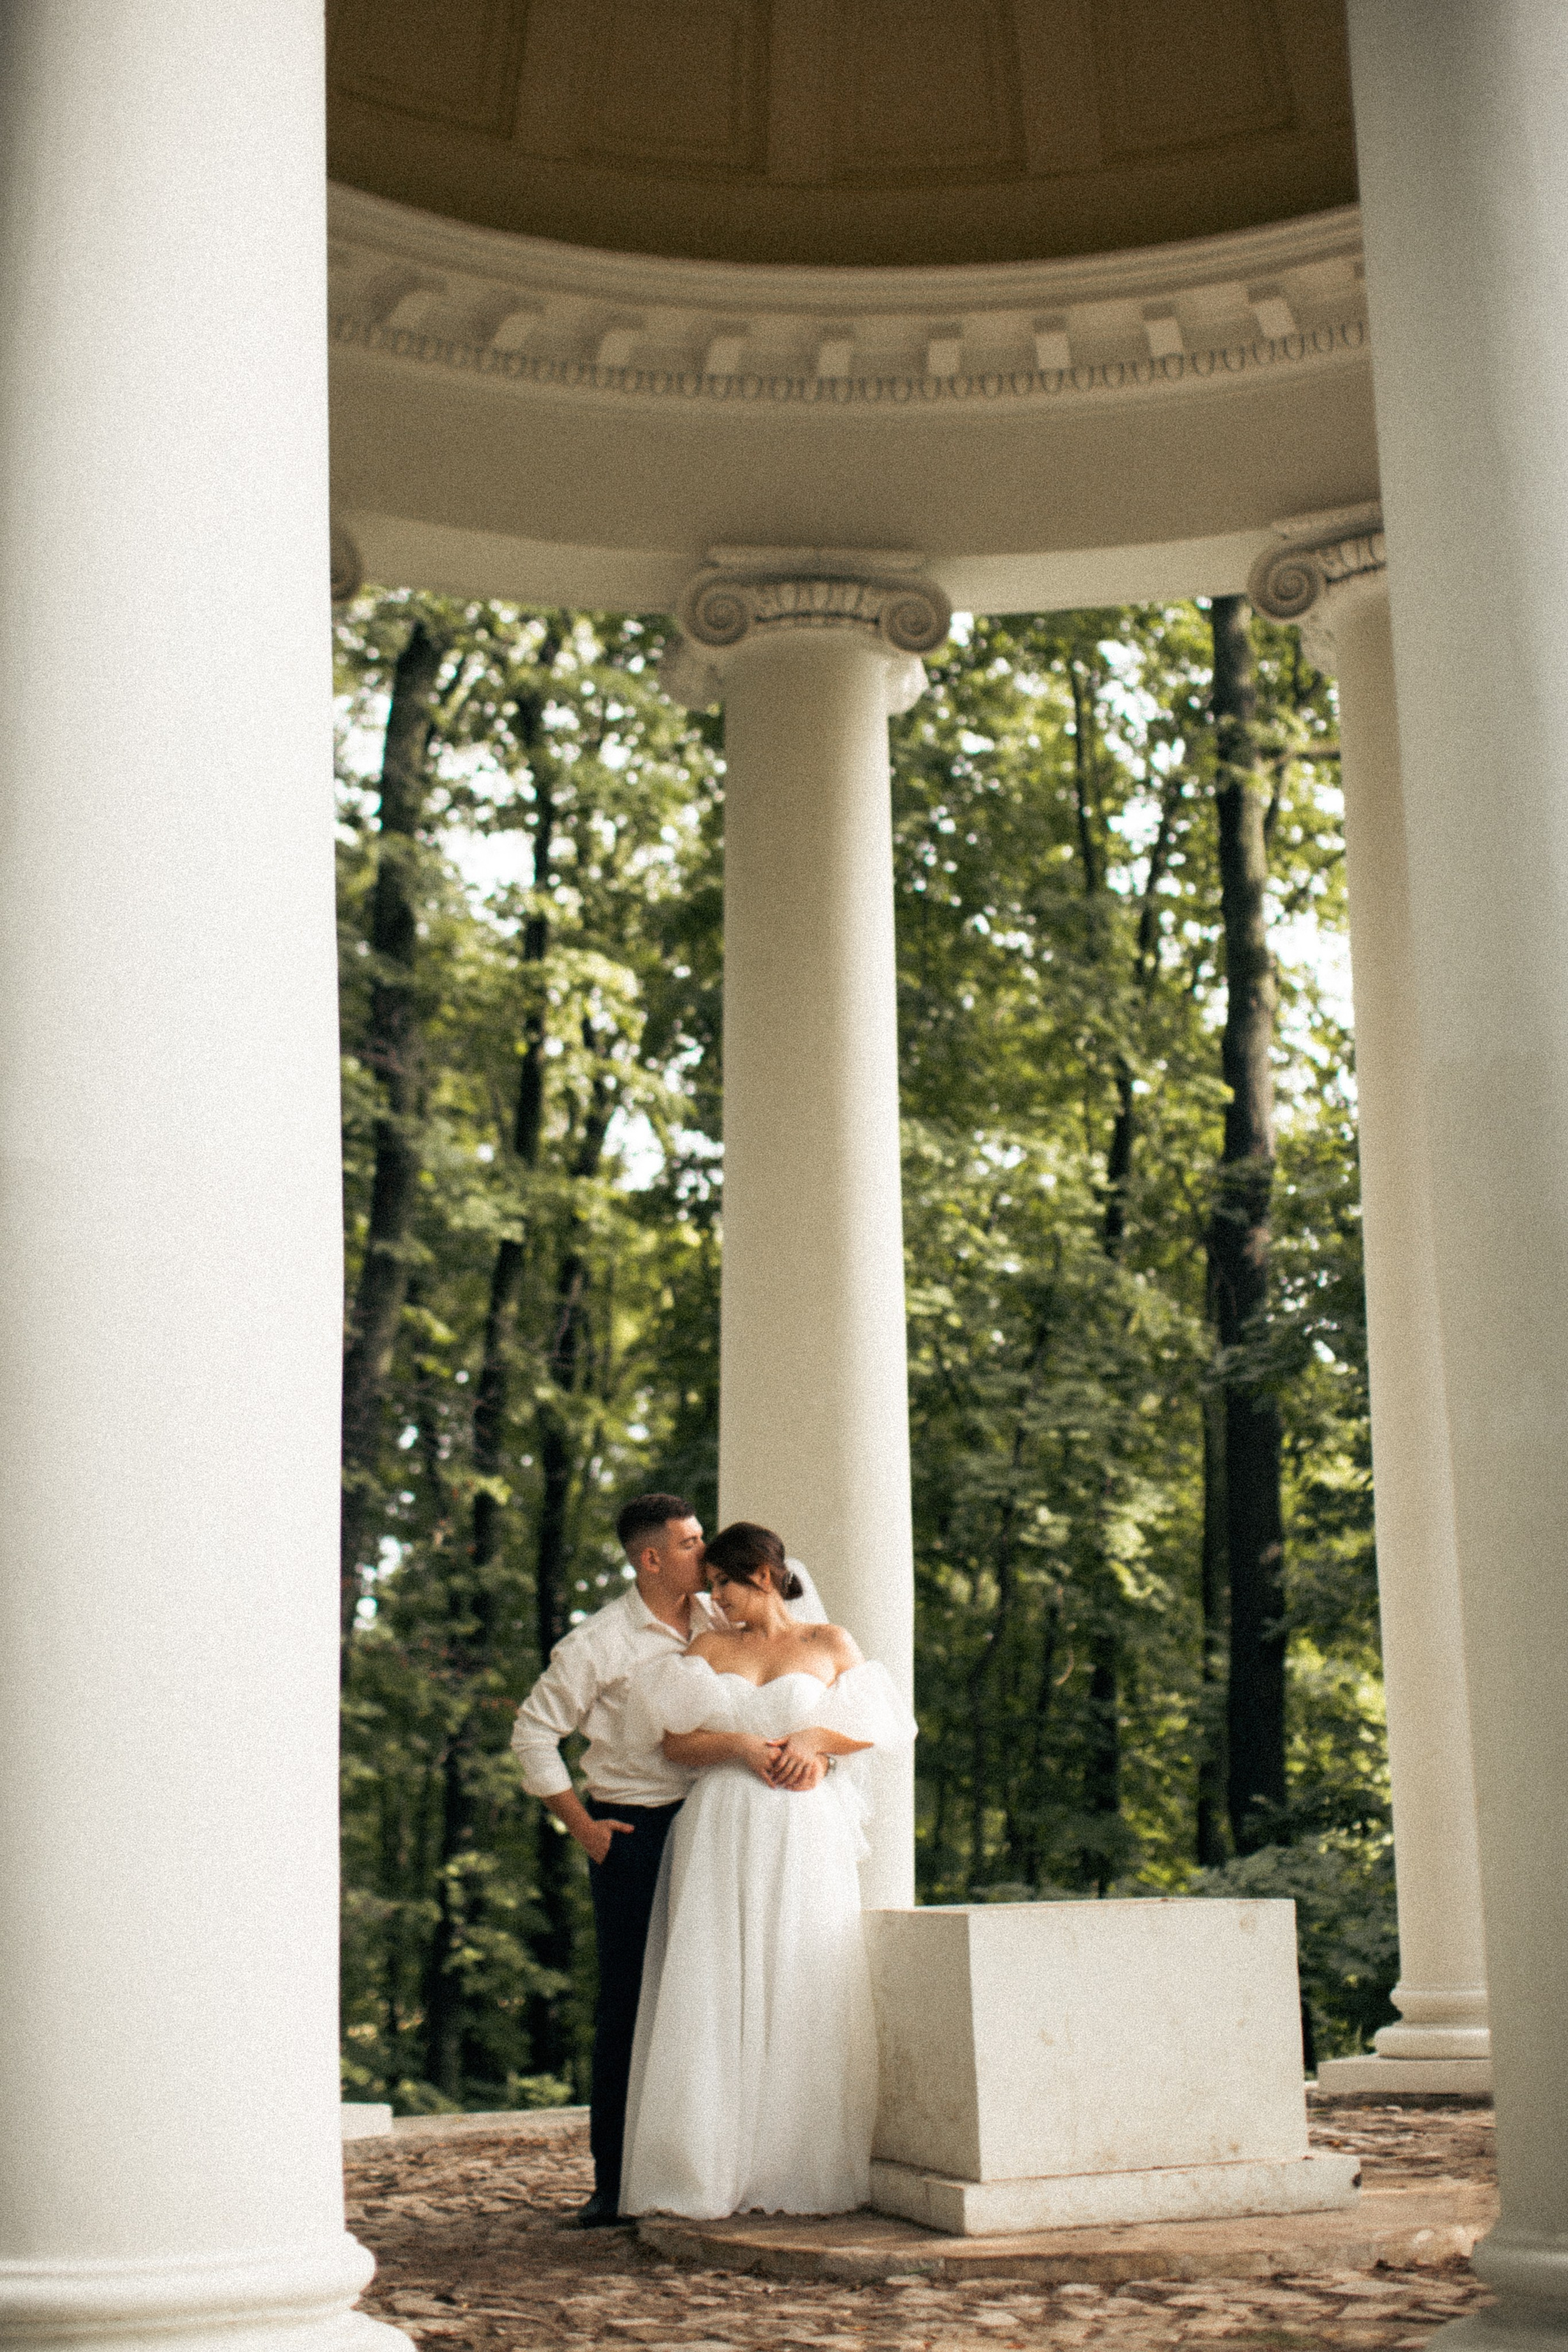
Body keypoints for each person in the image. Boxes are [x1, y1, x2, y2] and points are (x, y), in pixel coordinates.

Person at [510, 1493, 826, 2227]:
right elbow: (532, 1735)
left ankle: (712, 2162)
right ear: (652, 1558)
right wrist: (583, 1826)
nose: (704, 1551)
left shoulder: (724, 1617)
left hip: (724, 1825)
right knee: (630, 2000)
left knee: (709, 1998)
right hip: (635, 1830)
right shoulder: (599, 1644)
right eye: (689, 1543)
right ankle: (615, 2182)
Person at [617, 1521, 916, 2220]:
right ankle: (702, 2166)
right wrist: (741, 1745)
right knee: (714, 1980)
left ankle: (790, 2165)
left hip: (803, 1828)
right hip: (723, 1822)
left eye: (723, 1582)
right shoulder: (710, 1647)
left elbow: (880, 1725)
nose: (712, 1597)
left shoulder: (829, 1643)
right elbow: (673, 1741)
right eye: (709, 1583)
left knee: (799, 1975)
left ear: (760, 1575)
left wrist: (815, 1740)